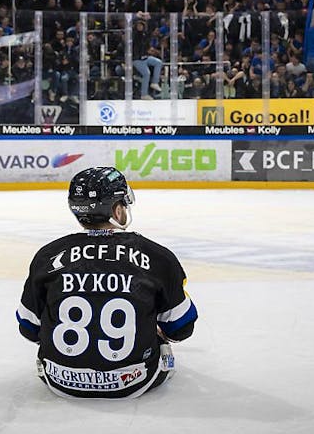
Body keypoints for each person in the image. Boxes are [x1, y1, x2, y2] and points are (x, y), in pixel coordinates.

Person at [17, 167, 197, 399]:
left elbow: (29, 329)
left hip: (59, 380)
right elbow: (182, 328)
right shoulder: (157, 256)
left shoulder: (47, 255)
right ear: (116, 209)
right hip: (135, 382)